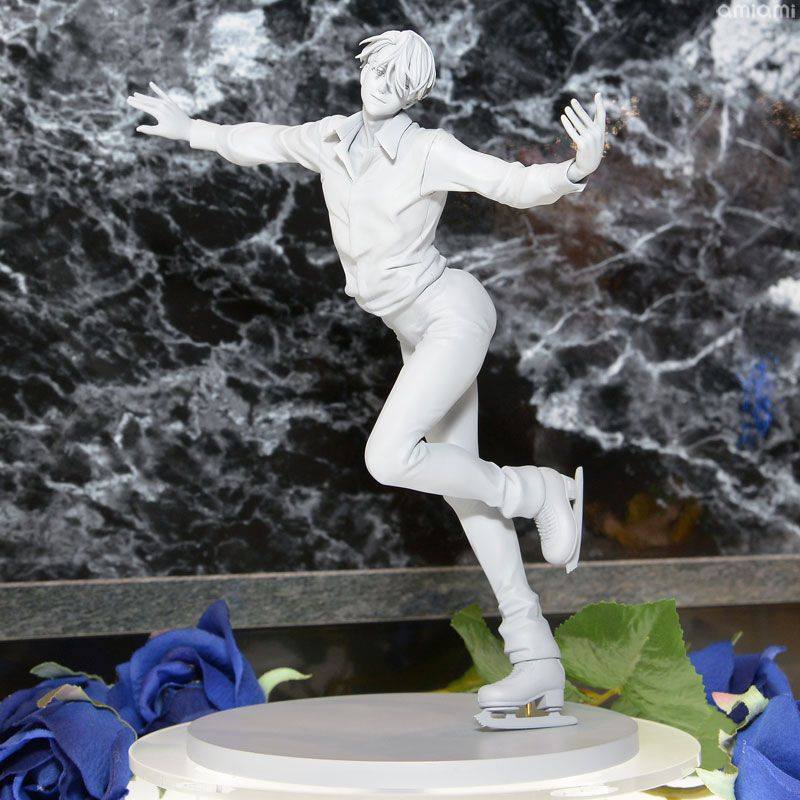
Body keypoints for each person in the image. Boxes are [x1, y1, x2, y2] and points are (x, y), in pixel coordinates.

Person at [127, 29, 606, 729]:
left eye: (399, 77)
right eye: (378, 68)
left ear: (417, 90)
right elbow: (261, 140)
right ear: (363, 68)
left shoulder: (427, 150)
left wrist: (574, 169)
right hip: (412, 331)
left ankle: (539, 490)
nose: (383, 82)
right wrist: (189, 128)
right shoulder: (330, 137)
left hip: (451, 314)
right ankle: (535, 655)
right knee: (460, 489)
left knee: (389, 457)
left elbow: (510, 182)